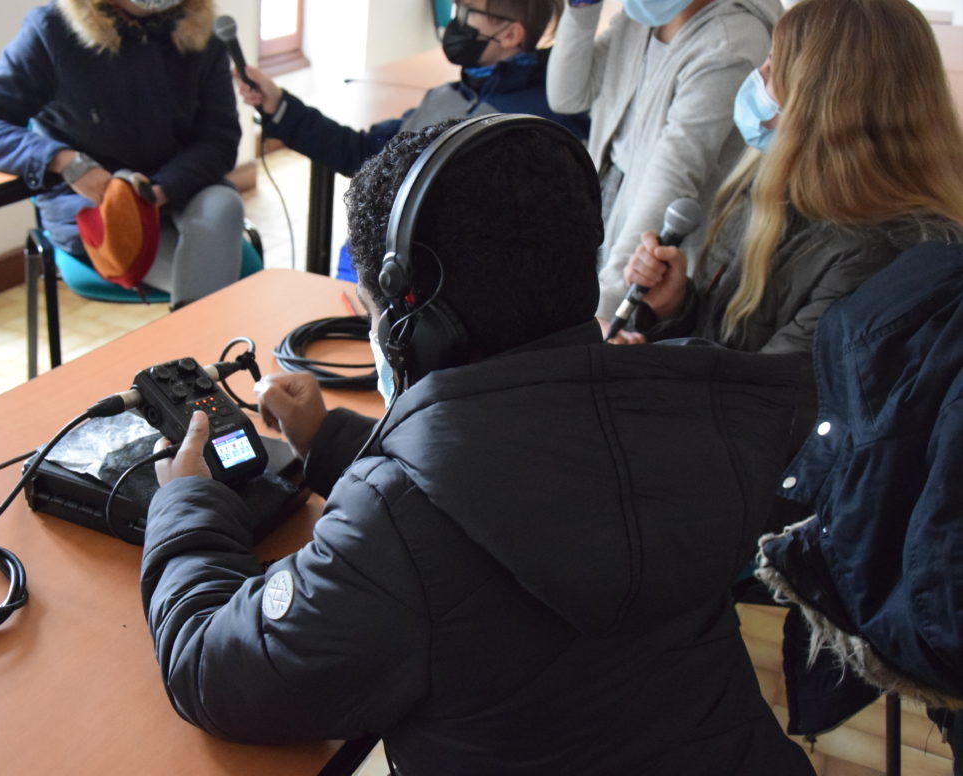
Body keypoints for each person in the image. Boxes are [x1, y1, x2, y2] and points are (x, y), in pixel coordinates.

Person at [139, 115, 815, 774]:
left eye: (375, 312)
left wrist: (186, 505)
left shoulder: (396, 532)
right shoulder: (681, 411)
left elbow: (219, 676)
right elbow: (523, 486)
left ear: (413, 325)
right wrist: (333, 443)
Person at [619, 0, 963, 354]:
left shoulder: (876, 255)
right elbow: (725, 341)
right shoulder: (770, 190)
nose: (758, 77)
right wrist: (674, 307)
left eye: (772, 67)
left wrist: (644, 368)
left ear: (822, 105)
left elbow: (767, 393)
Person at [0, 0, 244, 309]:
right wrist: (64, 161)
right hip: (96, 207)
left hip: (179, 190)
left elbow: (219, 140)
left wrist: (157, 192)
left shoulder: (202, 32)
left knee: (222, 206)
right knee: (213, 283)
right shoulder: (53, 29)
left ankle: (195, 344)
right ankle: (203, 345)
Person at [545, 0, 779, 333]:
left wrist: (608, 306)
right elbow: (568, 97)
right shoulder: (641, 17)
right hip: (606, 214)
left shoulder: (730, 41)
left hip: (651, 251)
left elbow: (673, 175)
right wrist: (582, 10)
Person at [233, 0, 589, 179]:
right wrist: (279, 105)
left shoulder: (540, 125)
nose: (455, 23)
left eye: (467, 13)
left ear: (511, 34)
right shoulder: (448, 97)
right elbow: (365, 155)